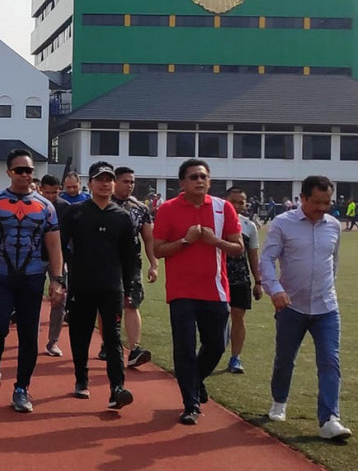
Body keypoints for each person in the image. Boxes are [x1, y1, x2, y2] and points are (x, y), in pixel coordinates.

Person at [0, 148, 64, 413]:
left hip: (32, 277)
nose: (25, 174)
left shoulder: (45, 206)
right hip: (0, 275)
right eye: (19, 170)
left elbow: (54, 247)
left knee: (29, 335)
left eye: (29, 170)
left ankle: (22, 388)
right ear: (9, 172)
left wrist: (58, 280)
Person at [152, 159, 243, 425]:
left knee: (217, 344)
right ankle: (190, 404)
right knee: (185, 347)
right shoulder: (168, 209)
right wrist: (185, 241)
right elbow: (158, 249)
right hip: (181, 291)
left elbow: (237, 247)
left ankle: (195, 380)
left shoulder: (223, 207)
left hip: (215, 289)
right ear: (182, 183)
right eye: (193, 177)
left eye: (203, 176)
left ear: (210, 181)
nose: (199, 181)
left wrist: (215, 241)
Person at [261, 176, 350, 441]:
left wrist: (328, 288)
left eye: (327, 202)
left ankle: (329, 419)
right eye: (317, 202)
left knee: (330, 360)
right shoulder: (282, 223)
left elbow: (333, 263)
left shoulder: (333, 226)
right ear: (302, 198)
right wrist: (275, 289)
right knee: (285, 358)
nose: (322, 207)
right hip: (291, 306)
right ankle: (279, 401)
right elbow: (267, 259)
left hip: (326, 307)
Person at [61, 162, 137, 409]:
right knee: (80, 335)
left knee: (113, 337)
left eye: (109, 179)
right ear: (90, 183)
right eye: (100, 179)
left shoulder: (122, 217)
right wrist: (64, 274)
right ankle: (81, 379)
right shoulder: (75, 212)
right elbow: (59, 245)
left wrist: (129, 287)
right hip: (81, 285)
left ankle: (117, 388)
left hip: (111, 287)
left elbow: (129, 256)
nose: (105, 184)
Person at [112, 167, 158, 367]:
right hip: (106, 263)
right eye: (125, 181)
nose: (129, 185)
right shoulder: (103, 204)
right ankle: (108, 343)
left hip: (132, 264)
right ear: (115, 181)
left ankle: (134, 348)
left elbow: (149, 239)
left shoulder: (140, 208)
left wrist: (154, 264)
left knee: (132, 303)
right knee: (108, 305)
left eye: (132, 182)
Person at [224, 187, 264, 374]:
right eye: (233, 201)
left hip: (240, 278)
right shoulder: (215, 221)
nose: (237, 205)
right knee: (216, 317)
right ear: (225, 201)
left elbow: (253, 256)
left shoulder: (249, 226)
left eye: (241, 202)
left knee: (238, 316)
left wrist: (258, 282)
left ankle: (235, 357)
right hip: (216, 277)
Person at [38, 174, 69, 357]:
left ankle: (53, 341)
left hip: (58, 259)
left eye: (54, 193)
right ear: (40, 189)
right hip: (35, 258)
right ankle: (29, 337)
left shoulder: (66, 208)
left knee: (60, 299)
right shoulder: (33, 204)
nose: (50, 196)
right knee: (31, 297)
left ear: (60, 190)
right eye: (47, 192)